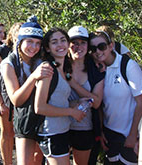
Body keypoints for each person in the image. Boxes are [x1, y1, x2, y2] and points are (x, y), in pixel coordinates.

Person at [89, 31, 142, 164]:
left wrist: (133, 135)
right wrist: (102, 131)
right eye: (93, 49)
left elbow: (141, 102)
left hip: (129, 136)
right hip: (110, 136)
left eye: (102, 46)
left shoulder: (128, 66)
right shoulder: (97, 69)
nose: (98, 51)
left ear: (111, 46)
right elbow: (101, 104)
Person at [0, 19, 51, 165]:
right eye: (29, 41)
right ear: (19, 42)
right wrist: (34, 76)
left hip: (42, 118)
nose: (33, 47)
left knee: (38, 159)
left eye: (37, 43)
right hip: (24, 119)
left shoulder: (41, 60)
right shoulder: (8, 64)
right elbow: (16, 99)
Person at [34, 27, 86, 164]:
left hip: (61, 131)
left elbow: (56, 101)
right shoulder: (48, 69)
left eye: (63, 40)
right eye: (54, 42)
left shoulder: (62, 69)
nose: (60, 45)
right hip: (51, 133)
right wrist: (71, 112)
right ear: (48, 48)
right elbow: (39, 107)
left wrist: (76, 103)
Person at [67, 26, 105, 165]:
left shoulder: (95, 70)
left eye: (83, 43)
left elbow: (96, 102)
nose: (78, 47)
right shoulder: (59, 65)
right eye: (74, 43)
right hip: (59, 126)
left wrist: (73, 84)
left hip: (84, 128)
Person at [0, 22, 23, 164]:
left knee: (20, 135)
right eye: (17, 35)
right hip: (3, 98)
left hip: (19, 98)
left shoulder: (30, 52)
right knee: (7, 134)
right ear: (12, 35)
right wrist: (0, 102)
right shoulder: (4, 50)